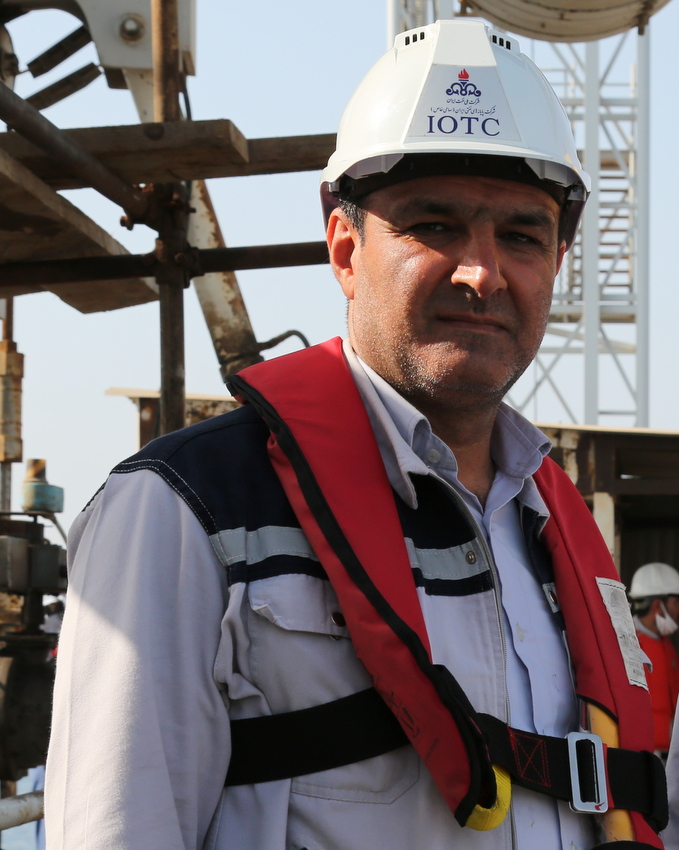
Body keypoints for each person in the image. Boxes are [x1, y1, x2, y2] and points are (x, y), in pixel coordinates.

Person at [44, 18, 667, 850]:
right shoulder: (183, 513)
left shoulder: (556, 530)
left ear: (556, 261)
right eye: (433, 226)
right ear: (344, 248)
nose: (481, 272)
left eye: (521, 235)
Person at [629, 562, 679, 756]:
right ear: (658, 605)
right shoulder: (627, 644)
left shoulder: (667, 645)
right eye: (676, 602)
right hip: (643, 754)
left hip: (669, 753)